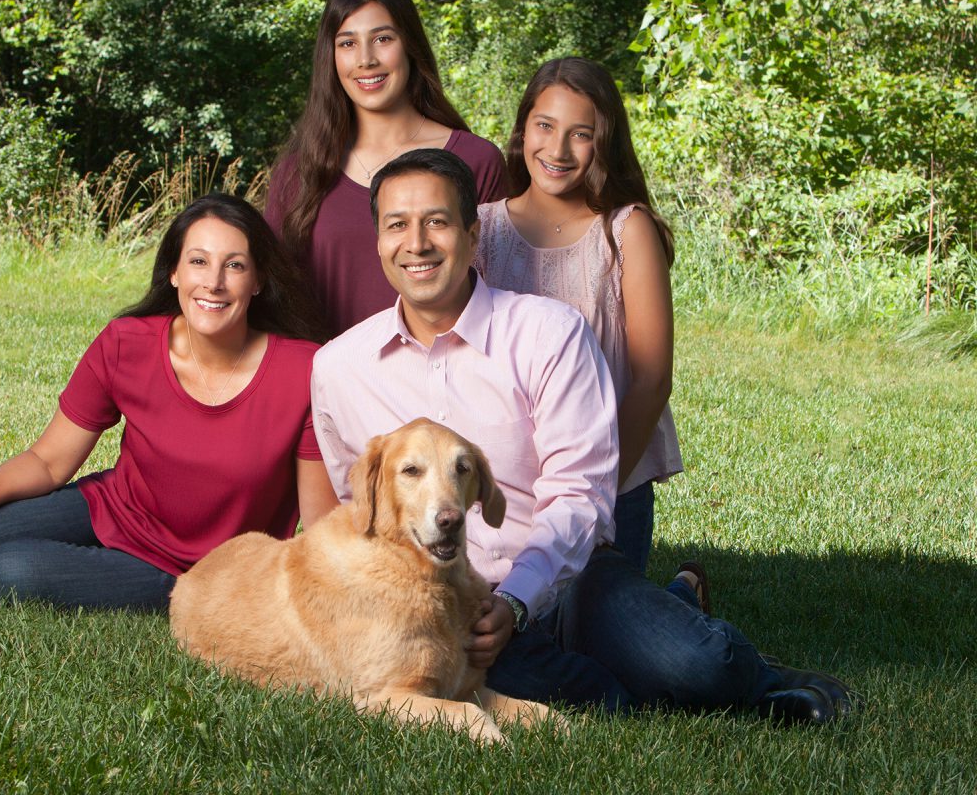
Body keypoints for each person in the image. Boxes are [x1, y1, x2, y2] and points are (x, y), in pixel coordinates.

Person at [309, 148, 858, 724]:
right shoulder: (341, 367)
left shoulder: (548, 333)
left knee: (697, 667)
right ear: (378, 242)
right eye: (397, 225)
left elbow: (579, 495)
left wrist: (517, 601)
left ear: (473, 236)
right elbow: (362, 510)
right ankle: (669, 611)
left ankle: (754, 672)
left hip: (567, 581)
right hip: (446, 607)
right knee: (598, 701)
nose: (416, 242)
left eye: (437, 222)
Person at [0, 193, 339, 611]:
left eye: (234, 266)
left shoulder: (302, 370)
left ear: (256, 281)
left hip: (194, 570)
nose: (213, 283)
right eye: (198, 262)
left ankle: (161, 590)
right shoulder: (127, 343)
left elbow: (319, 526)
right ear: (173, 273)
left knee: (8, 571)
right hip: (114, 510)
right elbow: (49, 460)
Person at [474, 57, 682, 579]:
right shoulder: (481, 230)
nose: (558, 149)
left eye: (581, 134)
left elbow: (653, 379)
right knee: (522, 641)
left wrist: (595, 492)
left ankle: (679, 602)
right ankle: (681, 598)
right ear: (523, 130)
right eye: (545, 126)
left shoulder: (625, 232)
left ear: (603, 143)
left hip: (610, 477)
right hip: (509, 488)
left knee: (611, 644)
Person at [265, 0, 506, 336]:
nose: (365, 59)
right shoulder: (297, 174)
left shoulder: (476, 161)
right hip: (328, 387)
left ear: (409, 45)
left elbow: (503, 300)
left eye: (382, 39)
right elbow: (271, 301)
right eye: (347, 43)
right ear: (330, 56)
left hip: (451, 385)